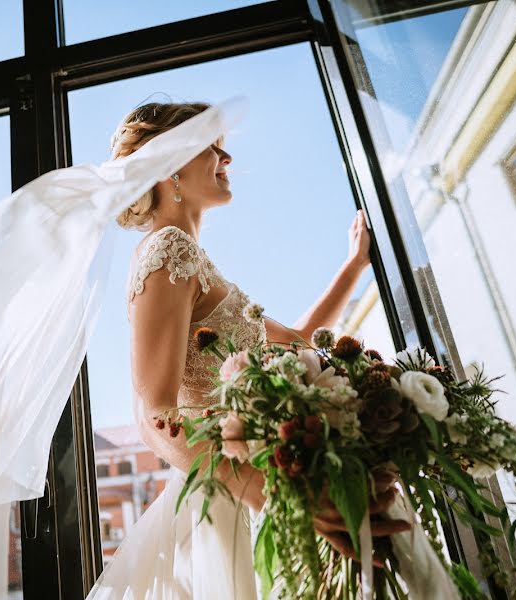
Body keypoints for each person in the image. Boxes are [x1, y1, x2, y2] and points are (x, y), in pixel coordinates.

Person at [86, 102, 410, 599]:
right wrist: (281, 498)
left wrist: (355, 265)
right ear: (172, 167)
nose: (228, 157)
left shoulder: (192, 259)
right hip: (233, 496)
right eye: (212, 147)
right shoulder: (166, 249)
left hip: (255, 483)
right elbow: (155, 415)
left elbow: (300, 341)